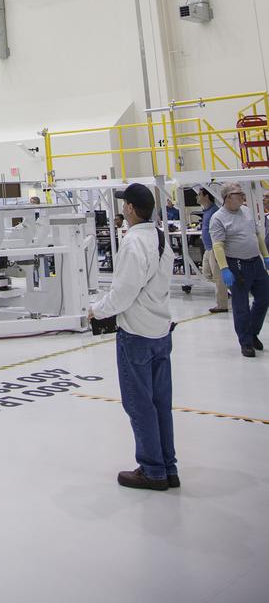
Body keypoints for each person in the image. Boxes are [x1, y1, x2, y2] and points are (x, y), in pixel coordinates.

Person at [88, 183, 177, 491]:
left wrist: (97, 310)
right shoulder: (161, 238)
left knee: (140, 405)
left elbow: (123, 293)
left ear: (129, 208)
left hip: (136, 334)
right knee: (160, 403)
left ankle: (152, 471)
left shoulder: (133, 242)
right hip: (160, 330)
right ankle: (168, 466)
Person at [210, 181, 269, 358]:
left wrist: (265, 256)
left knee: (264, 297)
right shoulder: (218, 218)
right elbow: (218, 245)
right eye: (239, 194)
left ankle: (252, 332)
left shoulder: (246, 211)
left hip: (255, 262)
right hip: (237, 265)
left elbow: (256, 235)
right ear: (228, 197)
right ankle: (246, 342)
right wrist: (224, 269)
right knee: (241, 305)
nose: (243, 197)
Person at [197, 187, 227, 314]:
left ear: (206, 196)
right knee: (207, 274)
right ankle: (226, 289)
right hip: (208, 248)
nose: (197, 197)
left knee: (218, 277)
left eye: (199, 194)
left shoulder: (215, 211)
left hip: (215, 248)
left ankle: (222, 305)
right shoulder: (206, 211)